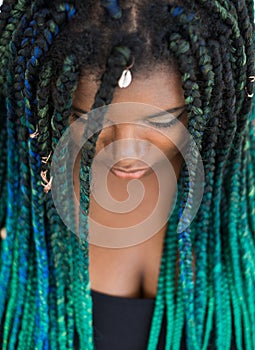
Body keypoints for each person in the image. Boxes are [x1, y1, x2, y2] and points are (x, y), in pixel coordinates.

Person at [0, 0, 254, 349]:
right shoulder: (16, 196)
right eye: (89, 121)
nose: (126, 153)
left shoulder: (241, 189)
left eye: (163, 120)